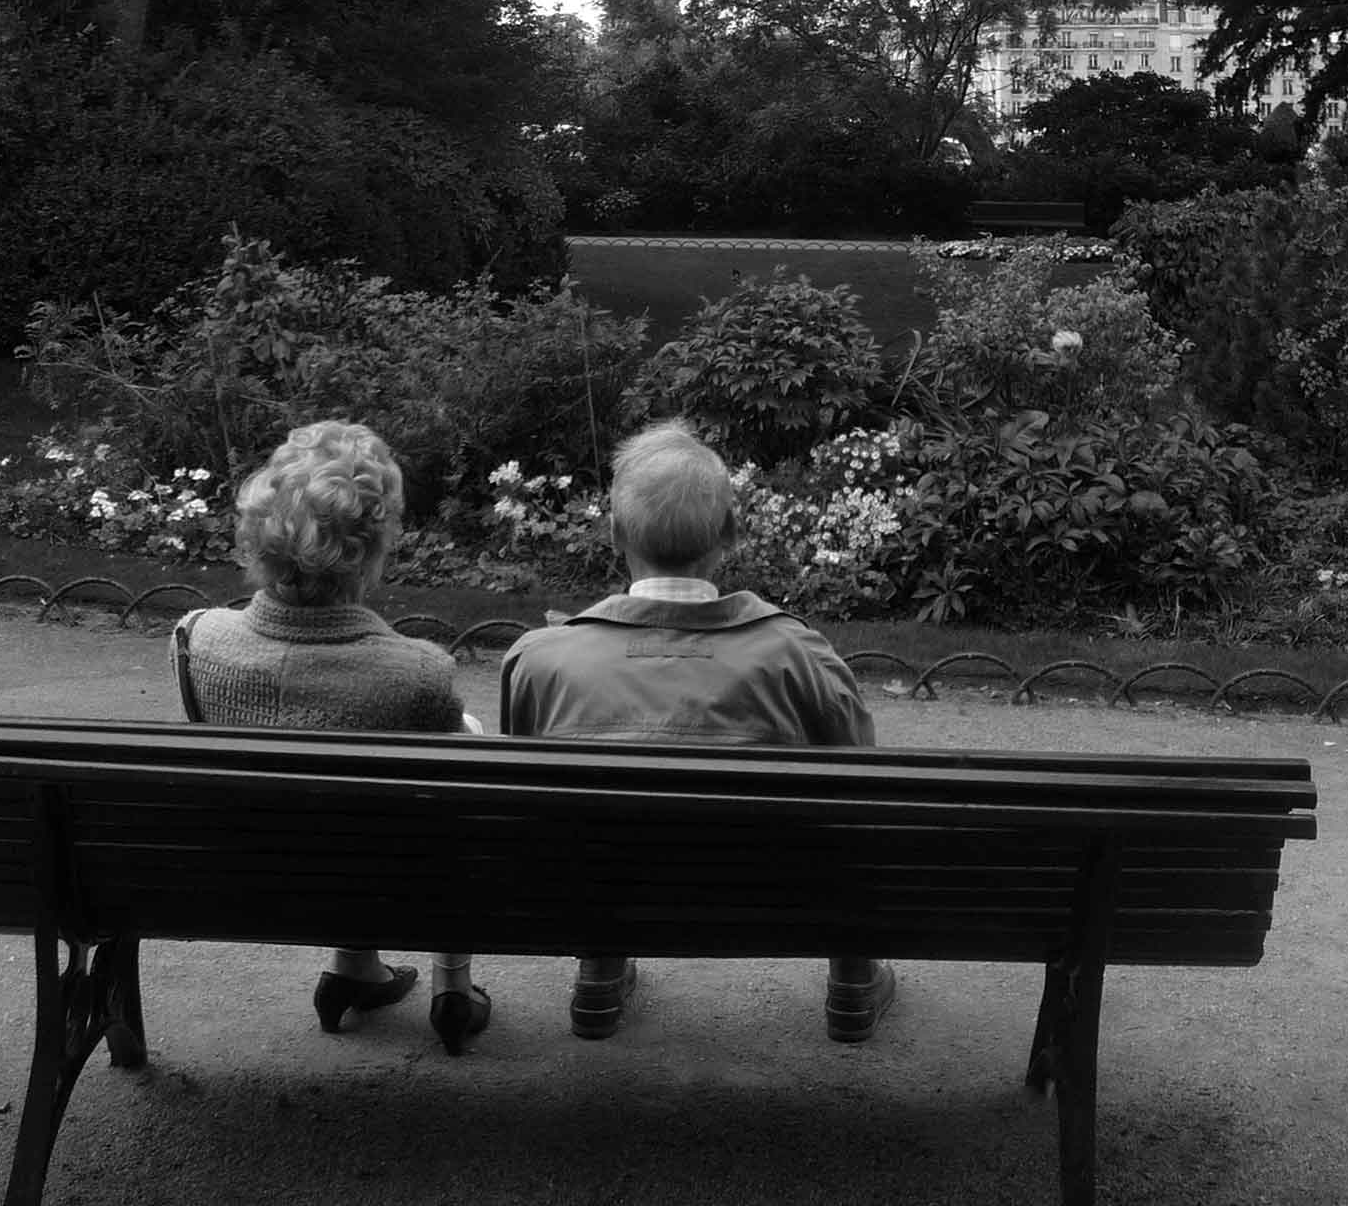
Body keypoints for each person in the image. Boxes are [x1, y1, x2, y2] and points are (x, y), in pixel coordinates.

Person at [499, 417, 897, 1044]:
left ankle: (601, 966)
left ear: (613, 532)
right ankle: (852, 979)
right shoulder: (801, 658)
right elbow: (864, 791)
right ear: (732, 533)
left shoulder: (539, 663)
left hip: (593, 890)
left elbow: (529, 809)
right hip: (778, 900)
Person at [170, 418, 490, 1054]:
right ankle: (452, 983)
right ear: (375, 545)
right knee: (462, 761)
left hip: (246, 879)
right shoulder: (418, 672)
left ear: (259, 529)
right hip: (380, 869)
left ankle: (354, 966)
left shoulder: (195, 640)